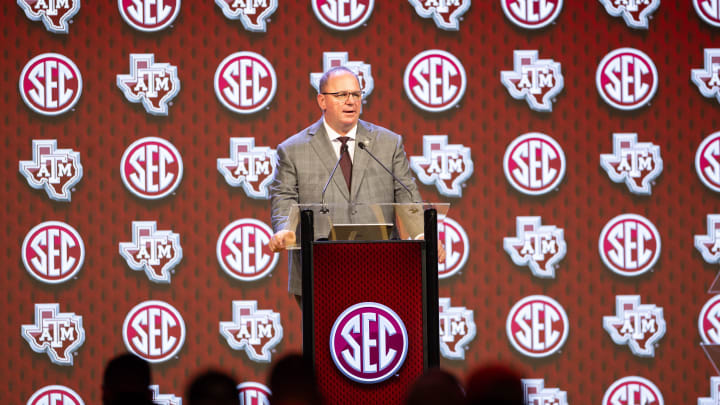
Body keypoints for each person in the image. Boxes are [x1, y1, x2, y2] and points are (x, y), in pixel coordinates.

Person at [269, 66, 439, 298]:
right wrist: (285, 229)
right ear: (322, 100)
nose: (351, 101)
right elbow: (284, 196)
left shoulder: (388, 143)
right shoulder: (293, 150)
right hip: (319, 272)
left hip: (382, 269)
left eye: (356, 95)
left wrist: (420, 233)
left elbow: (406, 192)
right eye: (341, 95)